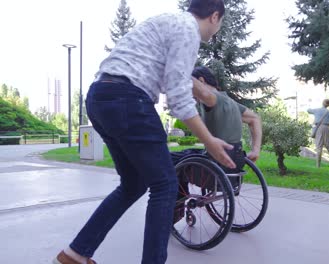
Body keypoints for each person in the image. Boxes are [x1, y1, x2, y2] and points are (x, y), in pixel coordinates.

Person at [53, 1, 234, 264]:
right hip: (128, 100)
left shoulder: (167, 21)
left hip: (101, 96)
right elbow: (178, 99)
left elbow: (170, 79)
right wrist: (210, 141)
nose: (215, 33)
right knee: (165, 184)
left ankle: (75, 254)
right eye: (219, 26)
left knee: (134, 184)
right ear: (215, 16)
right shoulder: (188, 30)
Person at [172, 66, 262, 223]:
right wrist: (255, 150)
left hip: (214, 163)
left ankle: (177, 205)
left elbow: (206, 93)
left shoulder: (212, 98)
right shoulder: (232, 103)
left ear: (200, 81)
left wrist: (177, 70)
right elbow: (255, 119)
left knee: (168, 159)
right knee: (185, 153)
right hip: (235, 161)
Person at [307, 99, 329, 169]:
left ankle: (318, 166)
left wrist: (309, 106)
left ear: (322, 103)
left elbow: (308, 110)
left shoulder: (317, 110)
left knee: (319, 147)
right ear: (328, 105)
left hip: (319, 128)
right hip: (327, 128)